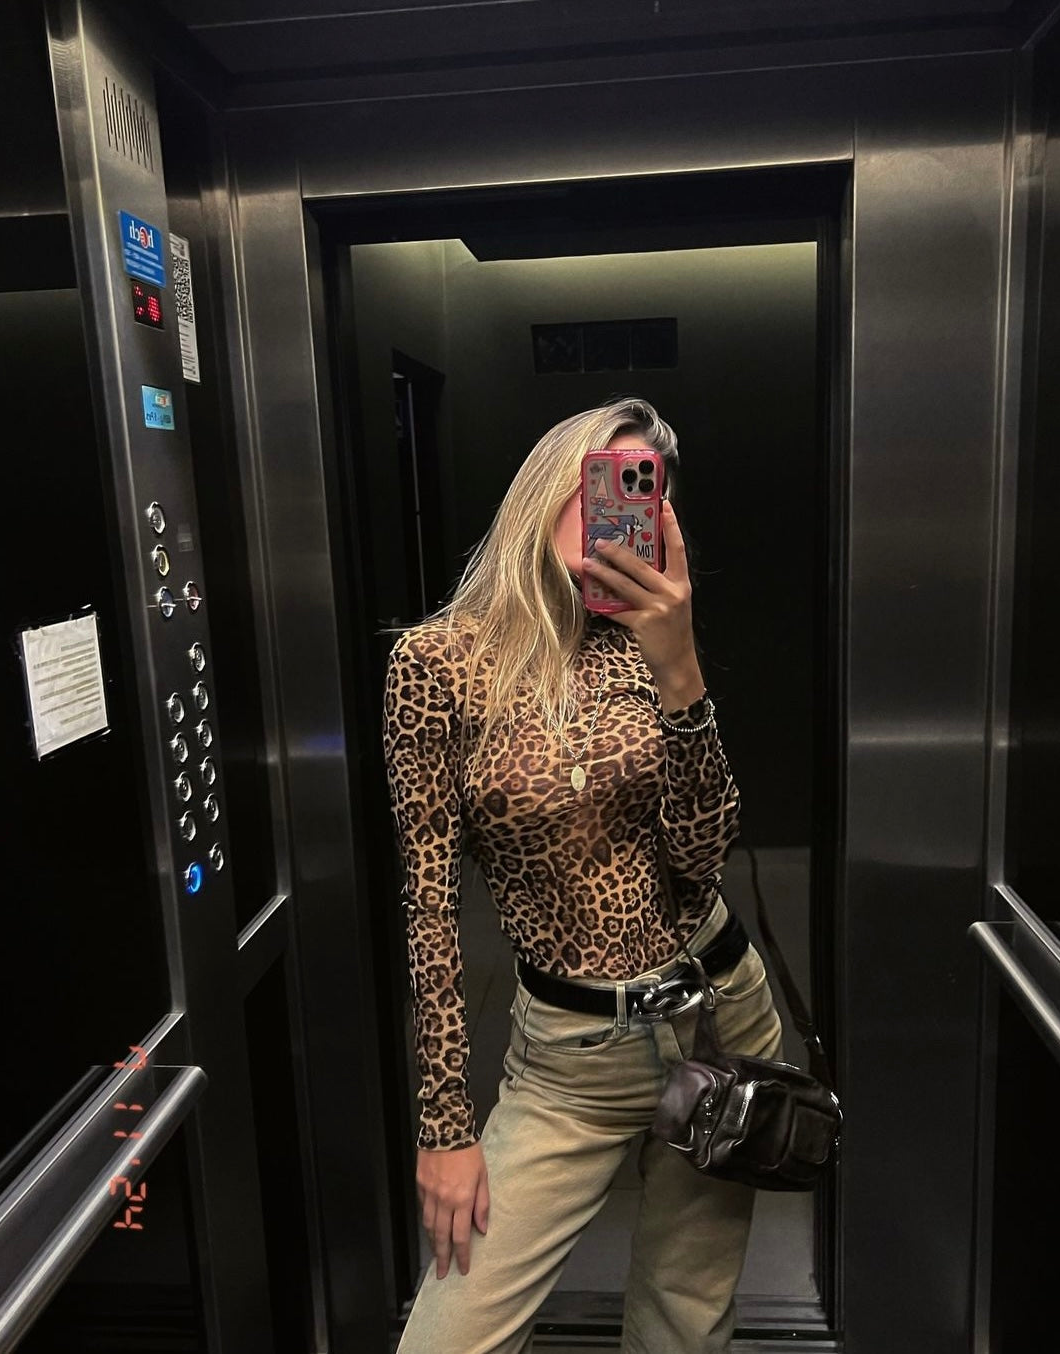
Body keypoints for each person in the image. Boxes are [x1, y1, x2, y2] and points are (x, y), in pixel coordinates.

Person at [382, 396, 783, 1353]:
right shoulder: (436, 665)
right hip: (569, 1061)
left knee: (685, 1320)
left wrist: (681, 674)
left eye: (645, 489)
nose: (623, 506)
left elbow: (701, 856)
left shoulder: (651, 638)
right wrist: (444, 1127)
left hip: (720, 1016)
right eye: (607, 479)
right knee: (448, 1338)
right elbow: (429, 907)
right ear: (549, 484)